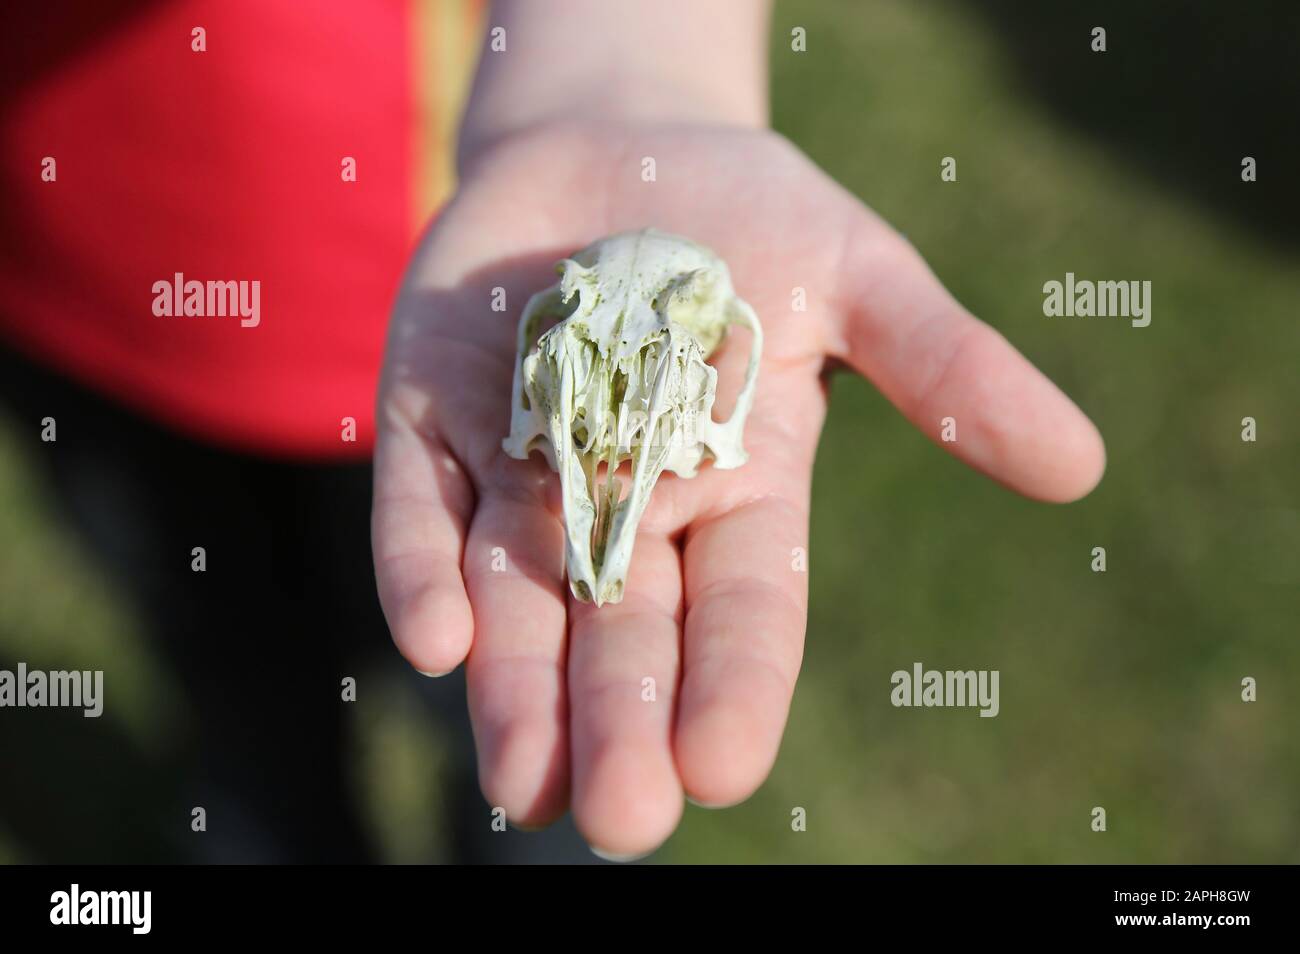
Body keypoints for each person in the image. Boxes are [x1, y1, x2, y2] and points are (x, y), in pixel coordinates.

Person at [1, 1, 1103, 863]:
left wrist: (631, 60)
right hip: (70, 284)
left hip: (411, 260)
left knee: (527, 737)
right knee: (234, 677)